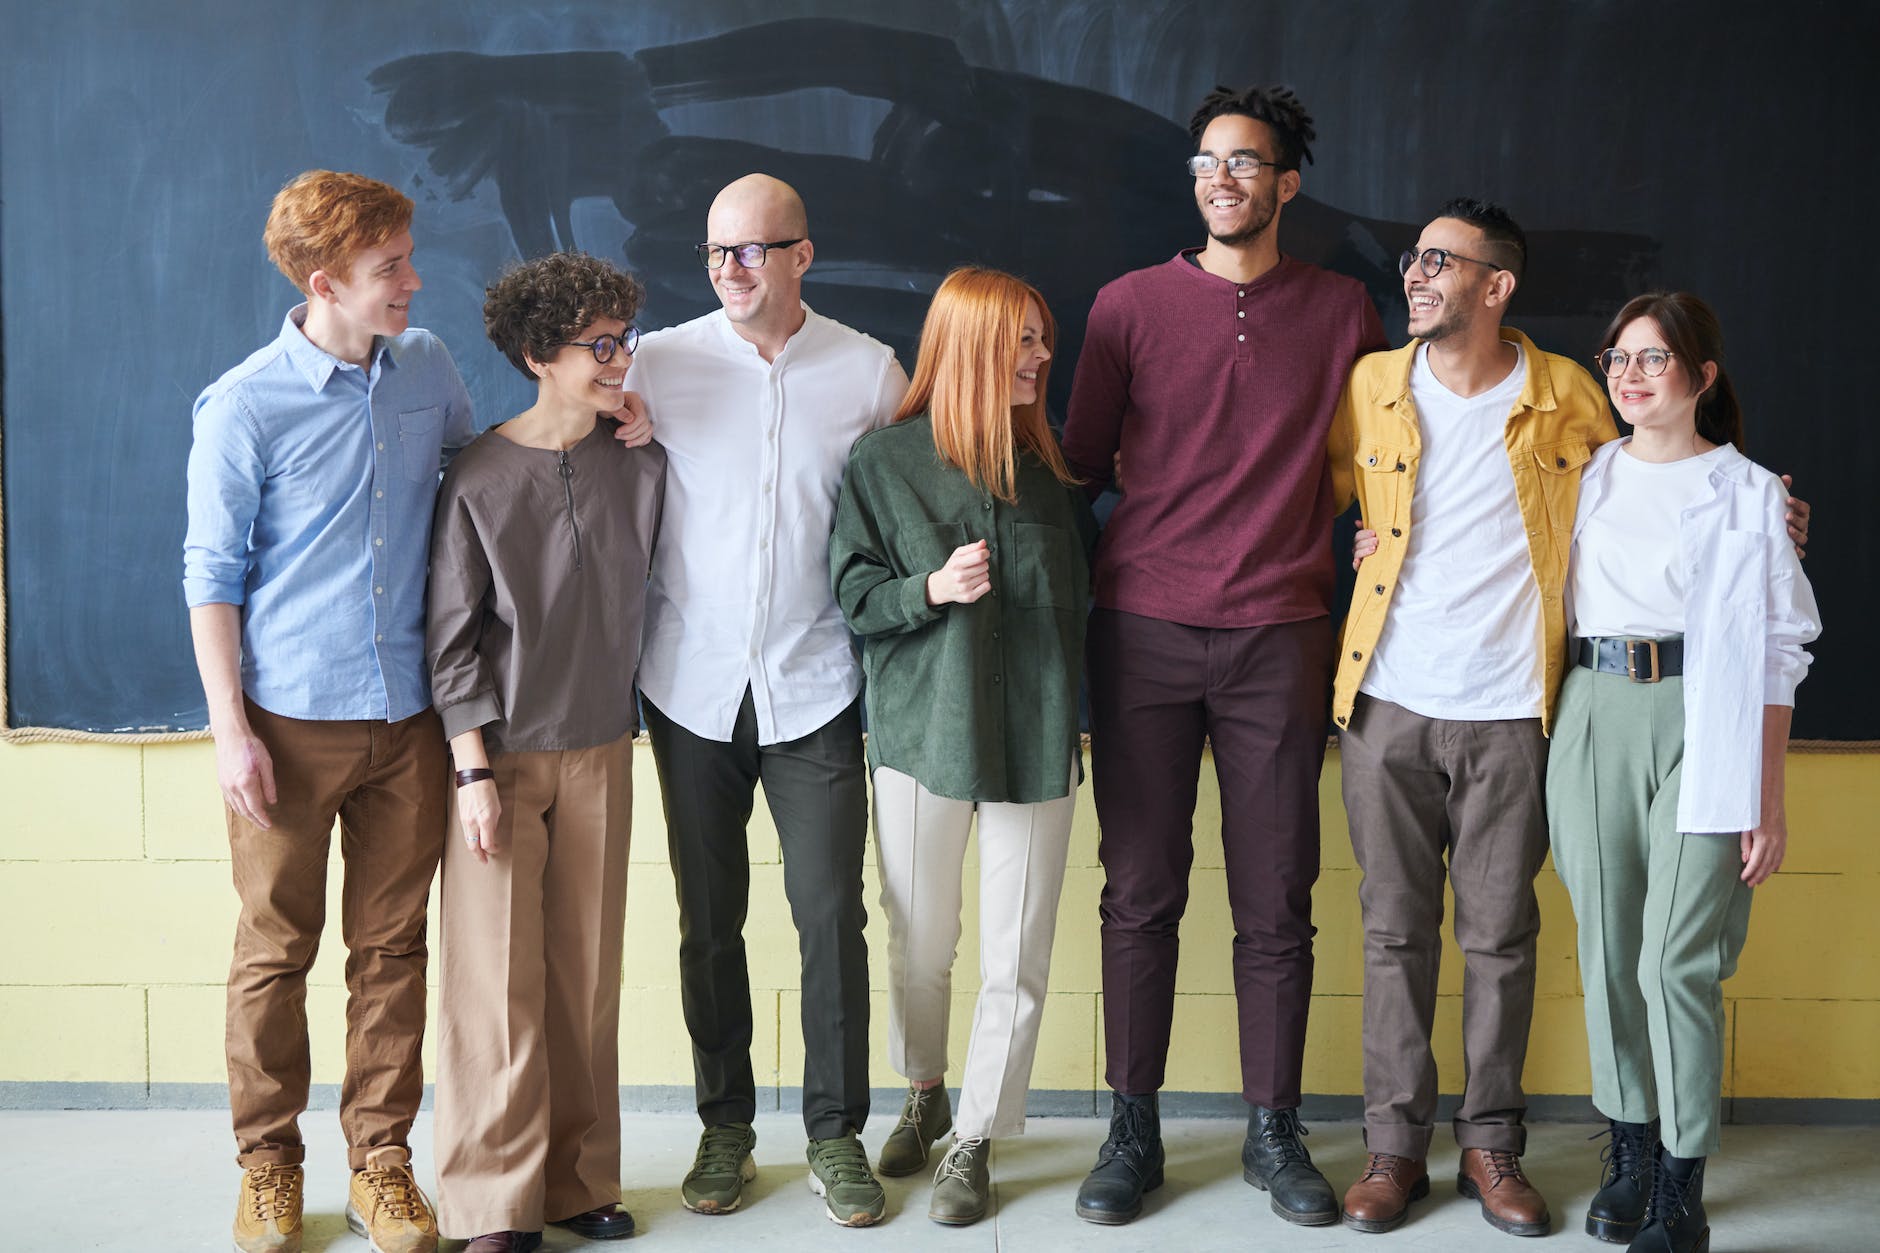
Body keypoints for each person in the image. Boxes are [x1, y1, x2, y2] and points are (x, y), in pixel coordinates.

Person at [1328, 205, 1811, 1239]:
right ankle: (1403, 1149)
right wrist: (1362, 538)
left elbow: (1697, 510)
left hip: (1538, 707)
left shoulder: (1571, 406)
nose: (1414, 274)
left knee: (1536, 940)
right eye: (1411, 258)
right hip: (1429, 699)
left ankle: (1502, 1148)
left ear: (1494, 284)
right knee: (1407, 933)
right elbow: (1331, 491)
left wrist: (1774, 518)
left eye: (1437, 260)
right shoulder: (1375, 387)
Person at [1059, 84, 1385, 1228]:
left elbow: (1391, 460)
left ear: (1285, 182)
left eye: (1244, 162)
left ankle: (1272, 1126)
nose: (1221, 179)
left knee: (1276, 897)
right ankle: (1130, 1125)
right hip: (1142, 626)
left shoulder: (1345, 309)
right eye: (1206, 162)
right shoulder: (1126, 305)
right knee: (1138, 891)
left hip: (1280, 632)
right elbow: (1077, 467)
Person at [184, 169, 474, 1253]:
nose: (411, 280)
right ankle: (268, 1165)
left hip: (412, 717)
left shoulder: (429, 366)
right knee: (275, 946)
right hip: (288, 724)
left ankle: (382, 1163)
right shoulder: (244, 403)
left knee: (392, 948)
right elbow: (209, 574)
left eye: (405, 257)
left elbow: (470, 492)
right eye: (388, 267)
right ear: (325, 283)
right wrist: (230, 731)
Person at [622, 173, 909, 1227]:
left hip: (816, 681)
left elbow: (917, 492)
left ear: (802, 255)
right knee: (710, 920)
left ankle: (835, 1133)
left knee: (832, 914)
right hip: (689, 685)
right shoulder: (657, 361)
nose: (731, 271)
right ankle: (724, 1124)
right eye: (714, 253)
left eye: (751, 250)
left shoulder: (867, 370)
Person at [1544, 292, 1819, 1253]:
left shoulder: (1752, 493)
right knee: (1611, 951)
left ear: (1702, 377)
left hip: (1710, 718)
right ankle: (1629, 1144)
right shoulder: (1581, 476)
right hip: (1592, 710)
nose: (1628, 374)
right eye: (1618, 356)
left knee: (1674, 960)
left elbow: (1783, 646)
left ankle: (1682, 1183)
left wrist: (1768, 799)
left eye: (1654, 359)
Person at [830, 267, 1095, 1226]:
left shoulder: (1054, 479)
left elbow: (1087, 604)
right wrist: (929, 590)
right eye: (1022, 340)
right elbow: (856, 595)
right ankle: (925, 1086)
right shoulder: (884, 464)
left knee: (1017, 951)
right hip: (920, 735)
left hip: (1032, 740)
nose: (1039, 359)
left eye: (1043, 341)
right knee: (921, 941)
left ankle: (976, 1136)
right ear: (970, 343)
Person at [425, 252, 665, 1253]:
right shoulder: (478, 476)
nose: (618, 360)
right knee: (494, 982)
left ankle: (576, 1179)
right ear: (538, 353)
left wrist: (644, 423)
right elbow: (448, 640)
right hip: (502, 760)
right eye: (598, 345)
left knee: (583, 975)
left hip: (603, 747)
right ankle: (490, 1200)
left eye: (623, 340)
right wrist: (473, 771)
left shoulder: (640, 455)